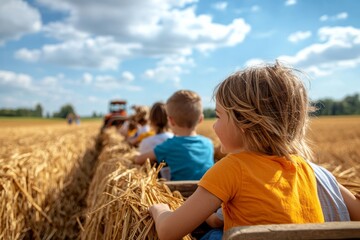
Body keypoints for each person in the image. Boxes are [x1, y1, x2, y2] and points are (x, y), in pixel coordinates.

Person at [149, 61, 325, 240]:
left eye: (218, 116)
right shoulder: (303, 167)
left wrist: (159, 209)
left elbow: (167, 232)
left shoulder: (232, 168)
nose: (215, 125)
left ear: (244, 122)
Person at [201, 161, 358, 240]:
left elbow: (215, 221)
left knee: (214, 234)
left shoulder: (236, 171)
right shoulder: (321, 173)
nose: (214, 126)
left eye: (218, 116)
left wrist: (205, 211)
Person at [135, 90, 214, 181]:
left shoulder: (168, 146)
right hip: (209, 192)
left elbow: (139, 160)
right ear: (201, 119)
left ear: (171, 121)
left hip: (178, 194)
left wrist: (134, 155)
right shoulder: (209, 143)